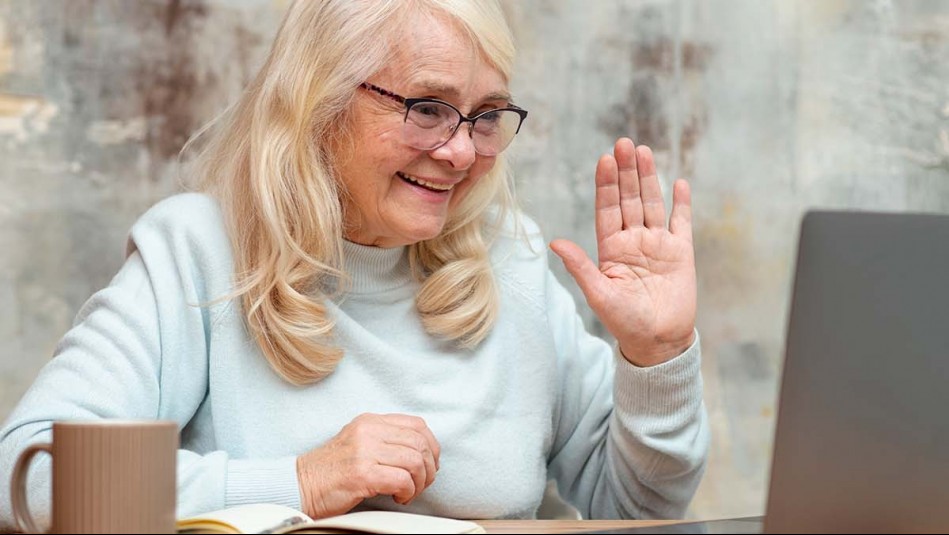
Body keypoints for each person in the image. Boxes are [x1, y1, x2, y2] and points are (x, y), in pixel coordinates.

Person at [0, 0, 708, 528]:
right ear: (321, 103)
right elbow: (28, 477)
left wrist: (656, 355)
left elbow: (637, 506)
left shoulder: (510, 258)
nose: (461, 151)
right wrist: (297, 482)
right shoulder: (197, 250)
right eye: (427, 108)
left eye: (485, 115)